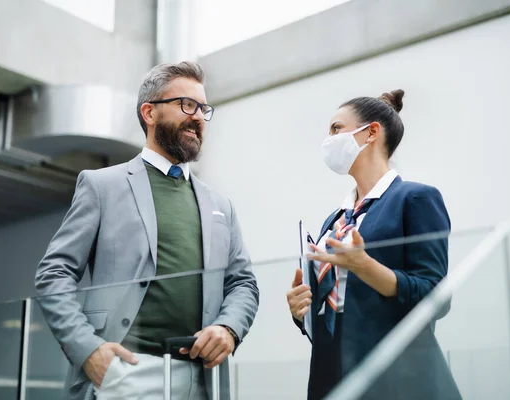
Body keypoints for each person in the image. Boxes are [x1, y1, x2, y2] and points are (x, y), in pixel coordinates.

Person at [35, 61, 259, 400]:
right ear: (149, 113)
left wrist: (228, 328)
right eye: (187, 105)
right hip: (125, 372)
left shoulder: (221, 205)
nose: (198, 116)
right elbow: (54, 273)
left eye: (203, 109)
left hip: (203, 379)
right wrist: (88, 349)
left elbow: (242, 282)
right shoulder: (101, 186)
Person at [286, 90, 461, 400]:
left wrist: (366, 266)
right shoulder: (335, 220)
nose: (329, 139)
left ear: (371, 133)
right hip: (334, 377)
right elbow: (339, 307)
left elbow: (437, 297)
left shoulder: (415, 199)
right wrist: (303, 311)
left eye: (336, 129)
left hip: (399, 379)